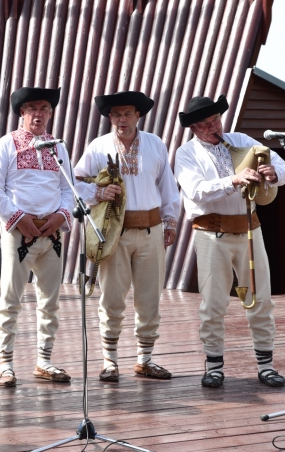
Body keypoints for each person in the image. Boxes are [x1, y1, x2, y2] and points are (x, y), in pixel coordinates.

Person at [174, 95, 285, 388]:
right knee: (213, 304)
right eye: (205, 124)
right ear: (194, 129)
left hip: (251, 231)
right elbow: (197, 191)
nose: (214, 127)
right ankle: (214, 366)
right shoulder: (186, 154)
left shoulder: (239, 139)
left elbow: (278, 163)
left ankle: (266, 366)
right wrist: (233, 181)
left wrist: (273, 173)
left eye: (216, 120)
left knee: (260, 299)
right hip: (211, 234)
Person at [74, 91, 180, 382]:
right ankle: (110, 361)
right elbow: (75, 180)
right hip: (114, 233)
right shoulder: (98, 147)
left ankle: (145, 360)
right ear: (110, 118)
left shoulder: (155, 144)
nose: (122, 119)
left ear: (138, 116)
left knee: (149, 297)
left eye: (127, 113)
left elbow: (168, 186)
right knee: (111, 297)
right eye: (116, 114)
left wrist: (170, 221)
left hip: (150, 230)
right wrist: (98, 192)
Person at [0, 87, 74, 387]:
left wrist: (60, 217)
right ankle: (6, 363)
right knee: (10, 298)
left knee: (50, 300)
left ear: (51, 113)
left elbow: (69, 188)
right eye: (32, 108)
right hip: (19, 234)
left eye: (44, 108)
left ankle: (44, 360)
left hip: (52, 234)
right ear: (22, 113)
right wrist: (18, 219)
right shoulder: (6, 144)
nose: (38, 114)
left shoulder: (57, 147)